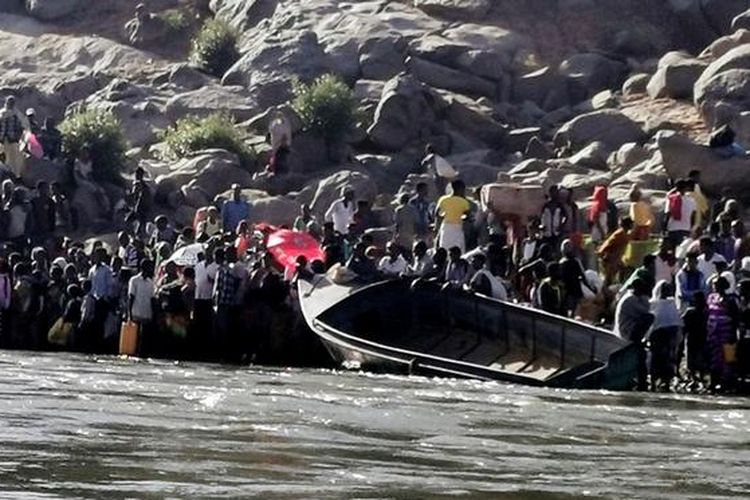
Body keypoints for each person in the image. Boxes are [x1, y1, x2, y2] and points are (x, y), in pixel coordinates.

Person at [614, 278, 653, 390]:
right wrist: (645, 298)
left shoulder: (634, 298)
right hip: (626, 331)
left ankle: (642, 381)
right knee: (649, 317)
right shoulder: (630, 299)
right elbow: (646, 310)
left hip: (630, 328)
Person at [706, 276, 739, 391]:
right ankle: (714, 382)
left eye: (717, 284)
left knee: (728, 359)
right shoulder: (711, 298)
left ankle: (727, 383)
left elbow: (735, 319)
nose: (715, 286)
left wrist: (734, 335)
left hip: (726, 334)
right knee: (714, 359)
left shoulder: (730, 300)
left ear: (724, 286)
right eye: (714, 284)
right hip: (713, 335)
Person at [648, 281, 682, 391]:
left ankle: (666, 382)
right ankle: (653, 382)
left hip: (669, 335)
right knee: (656, 358)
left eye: (668, 289)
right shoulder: (653, 303)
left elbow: (675, 321)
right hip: (658, 335)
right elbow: (652, 322)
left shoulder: (671, 303)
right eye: (665, 289)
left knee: (668, 359)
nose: (667, 291)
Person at [435, 180, 470, 252]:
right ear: (460, 189)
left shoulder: (443, 199)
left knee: (444, 247)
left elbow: (437, 214)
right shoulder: (464, 202)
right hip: (457, 228)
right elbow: (467, 216)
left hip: (445, 227)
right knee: (458, 249)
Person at [559, 239, 591, 317]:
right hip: (573, 291)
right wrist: (590, 287)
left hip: (569, 291)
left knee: (570, 311)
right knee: (574, 311)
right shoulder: (574, 261)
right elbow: (583, 276)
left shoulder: (562, 262)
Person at [597, 216, 633, 284]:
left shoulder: (624, 233)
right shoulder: (619, 234)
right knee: (608, 280)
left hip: (616, 259)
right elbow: (608, 244)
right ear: (628, 225)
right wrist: (603, 254)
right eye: (631, 224)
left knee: (623, 271)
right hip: (610, 259)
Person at [683, 291, 708, 383]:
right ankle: (694, 378)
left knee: (701, 358)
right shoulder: (690, 312)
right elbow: (684, 325)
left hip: (702, 337)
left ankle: (700, 377)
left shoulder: (706, 312)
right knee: (692, 358)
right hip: (692, 337)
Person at [0, 96, 28, 178]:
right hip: (1, 140)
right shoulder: (1, 113)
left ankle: (15, 175)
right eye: (9, 102)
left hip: (13, 141)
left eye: (12, 102)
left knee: (14, 159)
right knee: (2, 157)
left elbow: (22, 127)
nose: (10, 104)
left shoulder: (17, 114)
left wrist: (19, 137)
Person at [663, 179, 696, 247]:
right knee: (682, 251)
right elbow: (693, 216)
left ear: (676, 188)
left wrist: (664, 228)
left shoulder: (671, 199)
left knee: (672, 250)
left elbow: (667, 214)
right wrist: (691, 228)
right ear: (686, 188)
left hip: (672, 228)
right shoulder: (692, 201)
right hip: (686, 228)